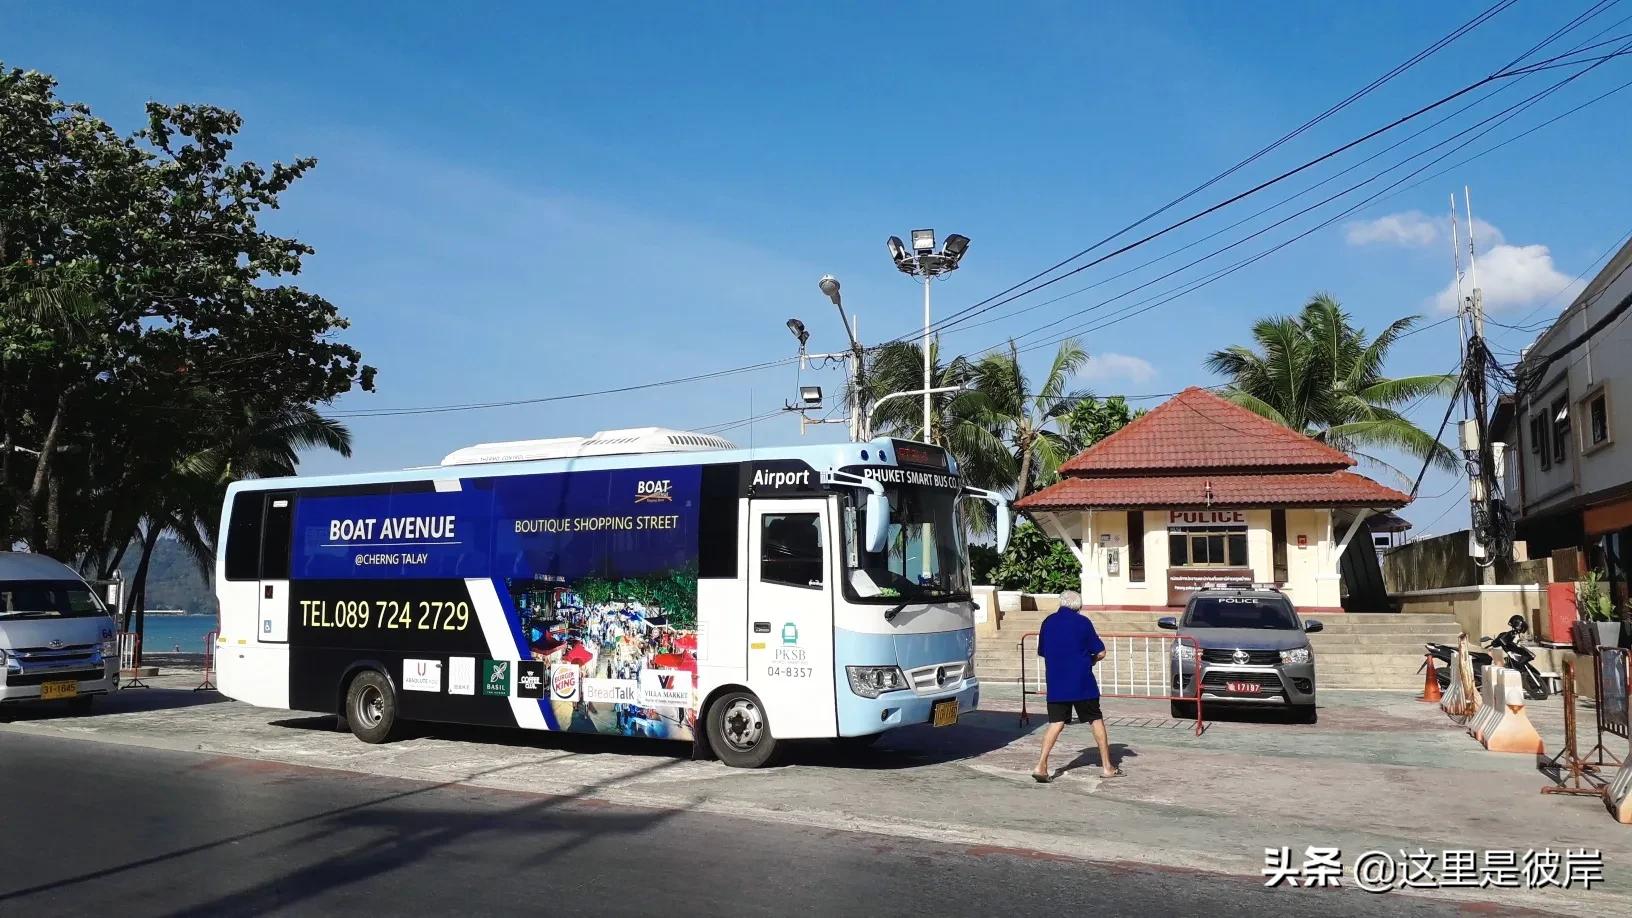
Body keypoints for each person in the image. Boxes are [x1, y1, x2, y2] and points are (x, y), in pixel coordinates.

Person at [1032, 590, 1122, 783]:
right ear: (1078, 606)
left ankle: (1041, 765)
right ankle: (1107, 766)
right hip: (1082, 682)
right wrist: (1089, 660)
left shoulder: (1048, 622)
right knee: (1095, 720)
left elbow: (1042, 651)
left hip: (1056, 683)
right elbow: (1101, 652)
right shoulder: (1083, 623)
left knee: (1056, 723)